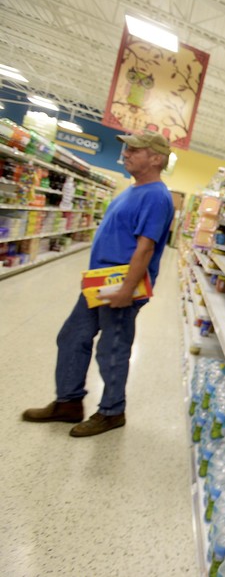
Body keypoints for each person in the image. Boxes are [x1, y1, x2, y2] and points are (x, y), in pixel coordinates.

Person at [22, 131, 175, 437]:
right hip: (99, 282)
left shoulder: (157, 195)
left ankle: (112, 411)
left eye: (134, 149)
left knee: (112, 348)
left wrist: (127, 290)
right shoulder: (132, 190)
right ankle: (68, 402)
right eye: (126, 148)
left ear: (156, 158)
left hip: (119, 285)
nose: (126, 153)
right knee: (72, 336)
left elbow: (145, 248)